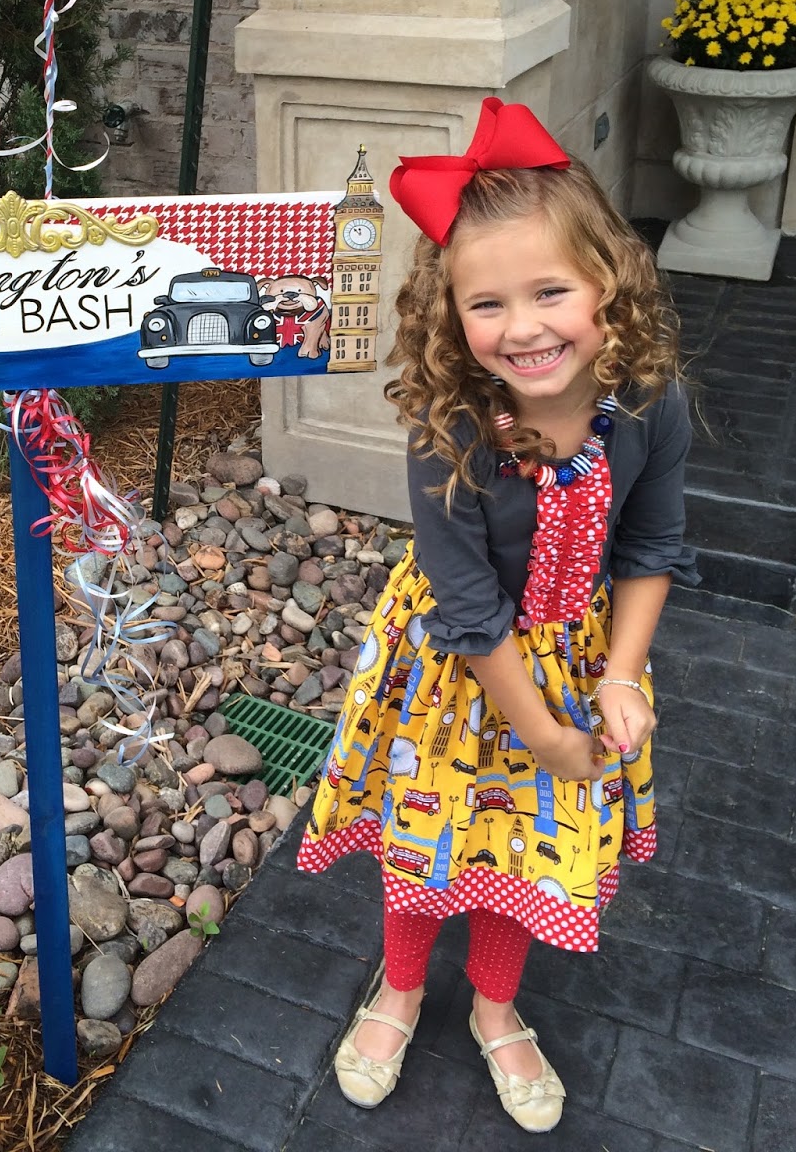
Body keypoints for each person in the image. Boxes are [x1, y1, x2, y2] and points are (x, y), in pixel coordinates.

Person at [298, 97, 697, 1134]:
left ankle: (494, 1005)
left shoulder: (649, 402)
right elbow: (468, 605)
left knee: (524, 849)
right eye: (487, 304)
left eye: (551, 291)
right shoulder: (453, 425)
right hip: (453, 667)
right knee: (428, 835)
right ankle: (398, 987)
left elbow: (652, 546)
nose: (522, 327)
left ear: (611, 283)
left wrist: (619, 677)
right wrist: (545, 738)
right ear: (450, 316)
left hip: (578, 660)